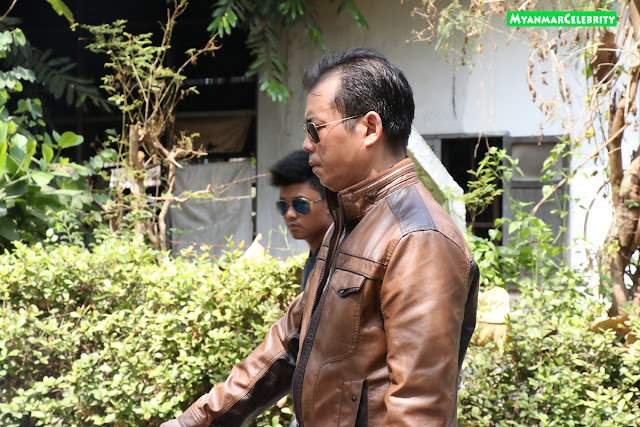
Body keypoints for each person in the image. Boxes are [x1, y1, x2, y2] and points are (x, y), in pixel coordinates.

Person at [160, 47, 479, 427]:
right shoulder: (348, 222)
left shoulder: (419, 238)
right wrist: (193, 421)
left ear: (369, 128)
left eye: (315, 129)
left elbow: (419, 408)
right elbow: (288, 343)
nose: (307, 144)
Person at [270, 149, 333, 292]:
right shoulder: (318, 257)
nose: (289, 214)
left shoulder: (340, 263)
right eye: (283, 205)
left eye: (300, 204)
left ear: (330, 202)